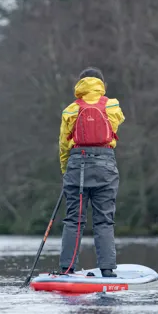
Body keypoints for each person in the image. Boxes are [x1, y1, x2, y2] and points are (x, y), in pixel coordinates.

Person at [58, 67, 125, 277]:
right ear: (102, 85)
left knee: (74, 219)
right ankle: (107, 270)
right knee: (104, 219)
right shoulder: (112, 106)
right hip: (106, 165)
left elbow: (63, 145)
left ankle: (67, 268)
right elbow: (115, 127)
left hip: (77, 165)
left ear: (79, 85)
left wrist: (65, 169)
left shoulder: (70, 110)